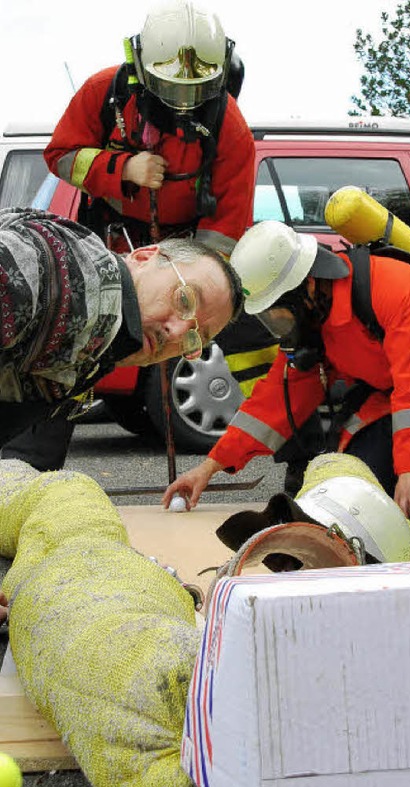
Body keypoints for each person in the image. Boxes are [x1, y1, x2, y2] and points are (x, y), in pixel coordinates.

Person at [2, 0, 275, 471]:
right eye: (171, 87)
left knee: (242, 326)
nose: (183, 101)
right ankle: (23, 470)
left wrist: (191, 296)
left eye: (196, 90)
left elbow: (226, 226)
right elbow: (62, 154)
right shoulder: (102, 93)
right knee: (73, 343)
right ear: (141, 68)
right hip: (107, 235)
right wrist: (121, 168)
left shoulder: (229, 128)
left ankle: (283, 441)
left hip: (186, 249)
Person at [162, 220, 410, 521]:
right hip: (398, 407)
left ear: (308, 286)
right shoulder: (317, 319)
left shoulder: (396, 289)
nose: (277, 325)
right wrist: (208, 468)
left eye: (276, 312)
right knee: (353, 491)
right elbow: (275, 401)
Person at [0, 208, 243, 449]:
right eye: (185, 300)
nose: (177, 333)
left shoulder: (97, 348)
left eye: (195, 337)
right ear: (144, 257)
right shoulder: (55, 266)